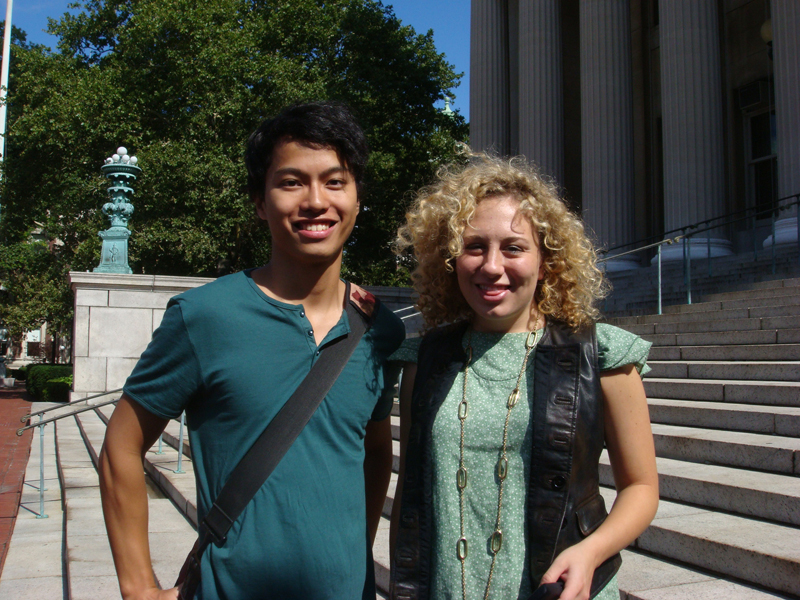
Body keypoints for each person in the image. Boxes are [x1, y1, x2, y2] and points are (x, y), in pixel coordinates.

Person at [99, 101, 405, 600]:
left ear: (356, 196)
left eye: (334, 181)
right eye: (290, 182)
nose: (315, 201)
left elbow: (374, 454)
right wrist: (138, 588)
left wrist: (352, 560)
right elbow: (122, 445)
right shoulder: (204, 316)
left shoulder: (380, 330)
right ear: (260, 202)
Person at [389, 152, 658, 600]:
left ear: (545, 260)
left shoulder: (602, 353)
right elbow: (411, 492)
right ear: (451, 259)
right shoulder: (426, 359)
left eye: (513, 247)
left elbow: (642, 487)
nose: (492, 266)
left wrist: (591, 553)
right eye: (474, 246)